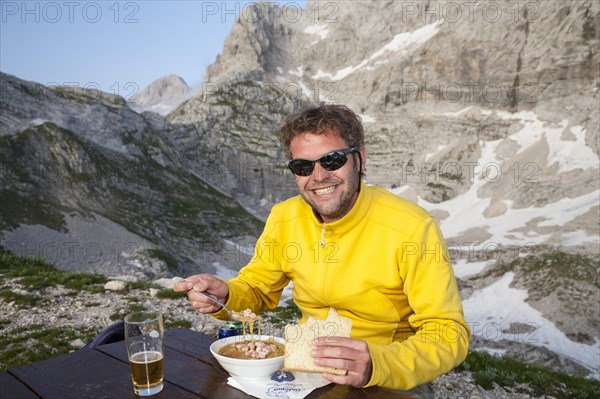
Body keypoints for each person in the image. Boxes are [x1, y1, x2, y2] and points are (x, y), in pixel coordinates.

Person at [174, 104, 469, 395]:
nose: (318, 176)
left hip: (388, 377)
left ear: (360, 159)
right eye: (303, 166)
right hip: (305, 369)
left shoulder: (413, 226)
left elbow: (447, 332)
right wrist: (225, 294)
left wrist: (377, 363)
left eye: (332, 161)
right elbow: (257, 288)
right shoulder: (283, 216)